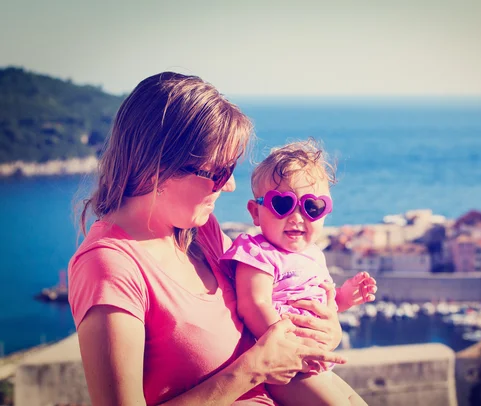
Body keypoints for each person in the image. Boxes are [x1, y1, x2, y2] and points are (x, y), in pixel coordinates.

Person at [68, 72, 348, 406]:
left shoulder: (201, 232)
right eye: (218, 173)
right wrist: (254, 368)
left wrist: (324, 328)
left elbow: (268, 302)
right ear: (159, 166)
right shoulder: (110, 266)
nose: (228, 185)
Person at [220, 139, 377, 405]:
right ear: (255, 212)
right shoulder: (257, 252)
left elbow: (320, 307)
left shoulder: (313, 254)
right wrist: (288, 347)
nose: (297, 217)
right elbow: (253, 303)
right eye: (282, 204)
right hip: (285, 368)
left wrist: (345, 298)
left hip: (314, 364)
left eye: (312, 207)